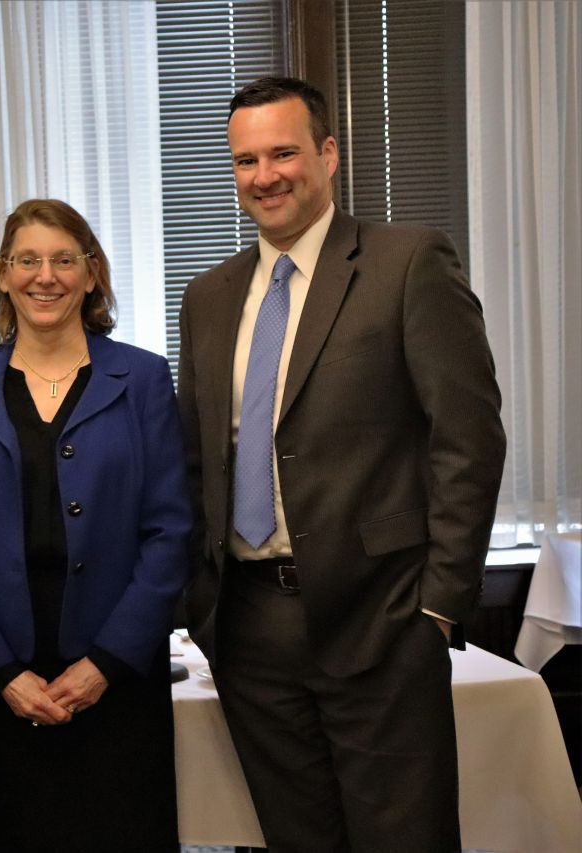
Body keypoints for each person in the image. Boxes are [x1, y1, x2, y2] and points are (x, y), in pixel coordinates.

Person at [177, 77, 506, 852]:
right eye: (246, 159)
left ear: (328, 154)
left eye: (284, 152)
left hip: (383, 622)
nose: (265, 175)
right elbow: (199, 459)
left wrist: (439, 606)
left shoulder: (406, 262)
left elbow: (468, 437)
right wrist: (203, 603)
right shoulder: (209, 295)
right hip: (250, 633)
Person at [0, 198, 192, 853]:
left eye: (62, 259)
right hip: (5, 684)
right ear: (2, 274)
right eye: (27, 259)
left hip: (119, 680)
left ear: (91, 274)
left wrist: (106, 662)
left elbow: (169, 532)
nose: (43, 276)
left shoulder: (141, 378)